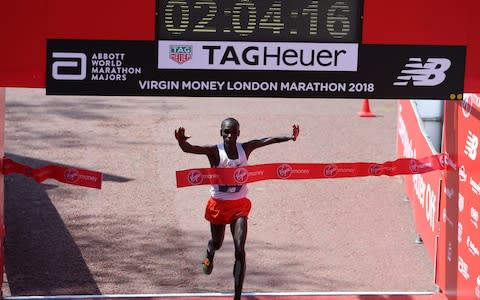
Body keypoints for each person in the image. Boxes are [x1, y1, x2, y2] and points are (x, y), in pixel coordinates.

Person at [175, 117, 299, 300]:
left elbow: (266, 140)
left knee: (239, 249)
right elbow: (190, 149)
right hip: (218, 205)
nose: (229, 135)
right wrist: (181, 141)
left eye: (233, 132)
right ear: (221, 133)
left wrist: (290, 136)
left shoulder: (245, 149)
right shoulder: (214, 152)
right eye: (226, 132)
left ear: (238, 133)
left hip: (239, 206)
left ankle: (237, 297)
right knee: (217, 242)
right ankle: (210, 251)